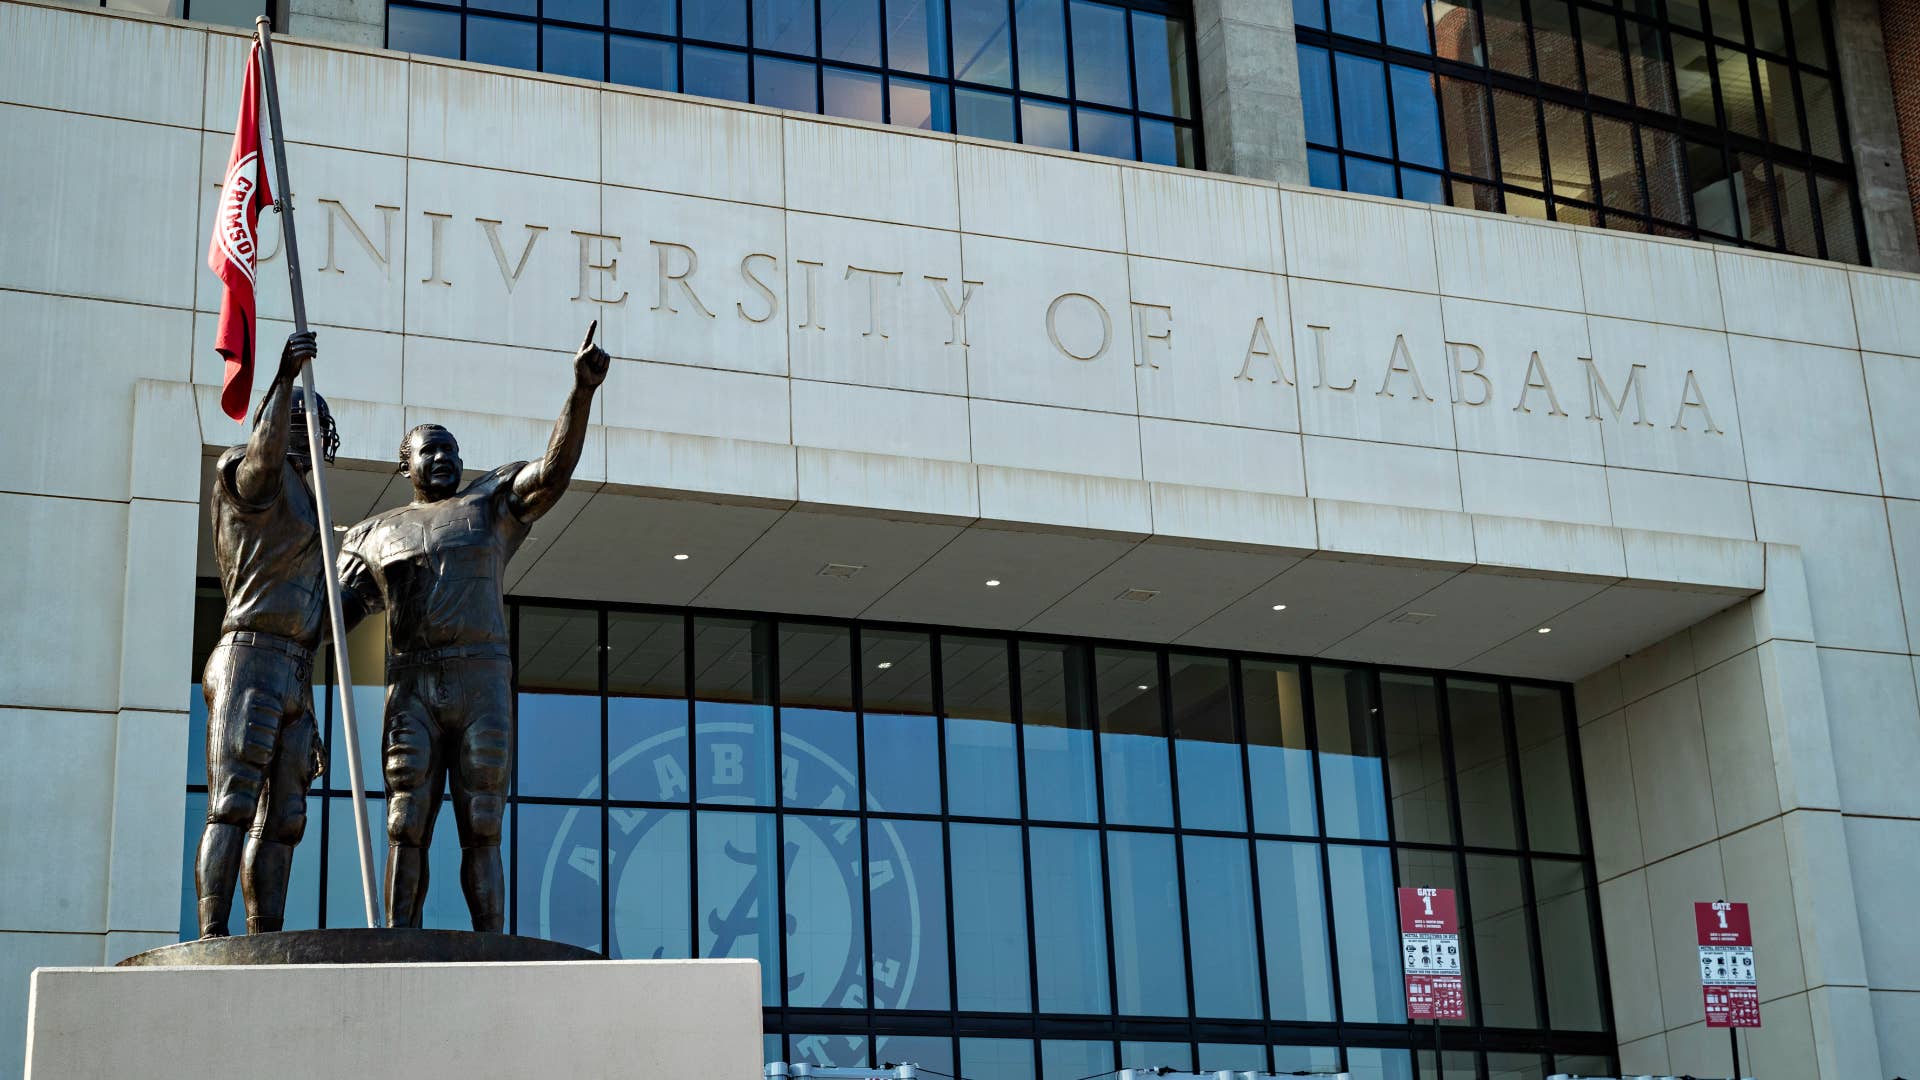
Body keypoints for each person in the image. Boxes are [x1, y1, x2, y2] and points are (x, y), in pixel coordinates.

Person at [338, 323, 610, 930]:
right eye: (430, 450)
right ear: (404, 463)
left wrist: (581, 392)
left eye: (452, 449)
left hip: (481, 679)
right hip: (412, 686)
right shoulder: (372, 533)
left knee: (482, 824)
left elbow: (552, 473)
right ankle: (395, 940)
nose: (444, 458)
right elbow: (331, 619)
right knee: (405, 823)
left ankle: (491, 944)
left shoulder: (490, 504)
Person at [196, 331, 335, 937]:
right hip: (249, 656)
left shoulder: (318, 506)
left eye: (316, 414)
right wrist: (282, 379)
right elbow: (262, 459)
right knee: (231, 805)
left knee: (285, 819)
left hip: (295, 669)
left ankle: (264, 933)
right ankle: (210, 932)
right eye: (297, 415)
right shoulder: (251, 478)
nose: (308, 424)